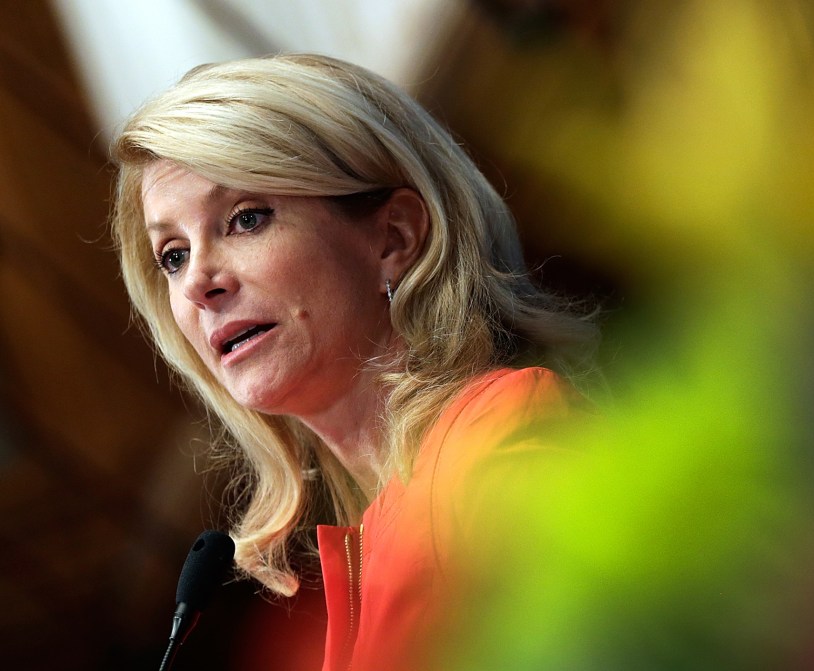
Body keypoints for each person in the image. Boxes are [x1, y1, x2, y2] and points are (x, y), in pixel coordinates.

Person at [110, 53, 598, 670]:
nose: (197, 282)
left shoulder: (496, 436)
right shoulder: (367, 546)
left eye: (246, 219)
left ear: (393, 238)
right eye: (173, 255)